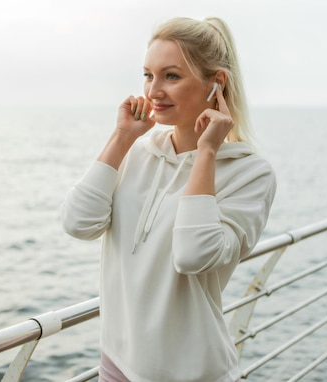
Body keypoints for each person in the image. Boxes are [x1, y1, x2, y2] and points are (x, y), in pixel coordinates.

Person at [61, 16, 277, 382]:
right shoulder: (136, 152)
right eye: (148, 75)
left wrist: (206, 153)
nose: (154, 91)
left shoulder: (250, 174)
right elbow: (78, 224)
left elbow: (194, 254)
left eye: (171, 76)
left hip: (194, 374)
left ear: (216, 84)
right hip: (117, 366)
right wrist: (121, 138)